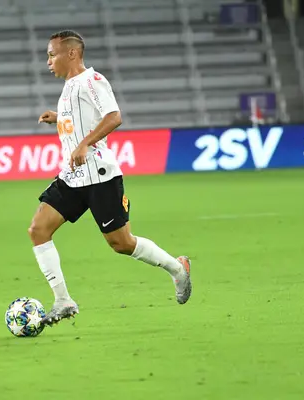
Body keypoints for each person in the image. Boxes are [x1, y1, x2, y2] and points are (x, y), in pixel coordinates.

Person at [32, 30, 192, 326]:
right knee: (38, 229)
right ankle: (63, 301)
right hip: (73, 176)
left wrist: (84, 143)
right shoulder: (69, 87)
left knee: (121, 242)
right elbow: (83, 118)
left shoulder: (92, 81)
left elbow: (114, 116)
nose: (48, 62)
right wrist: (59, 117)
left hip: (100, 176)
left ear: (72, 54)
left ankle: (177, 268)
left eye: (52, 55)